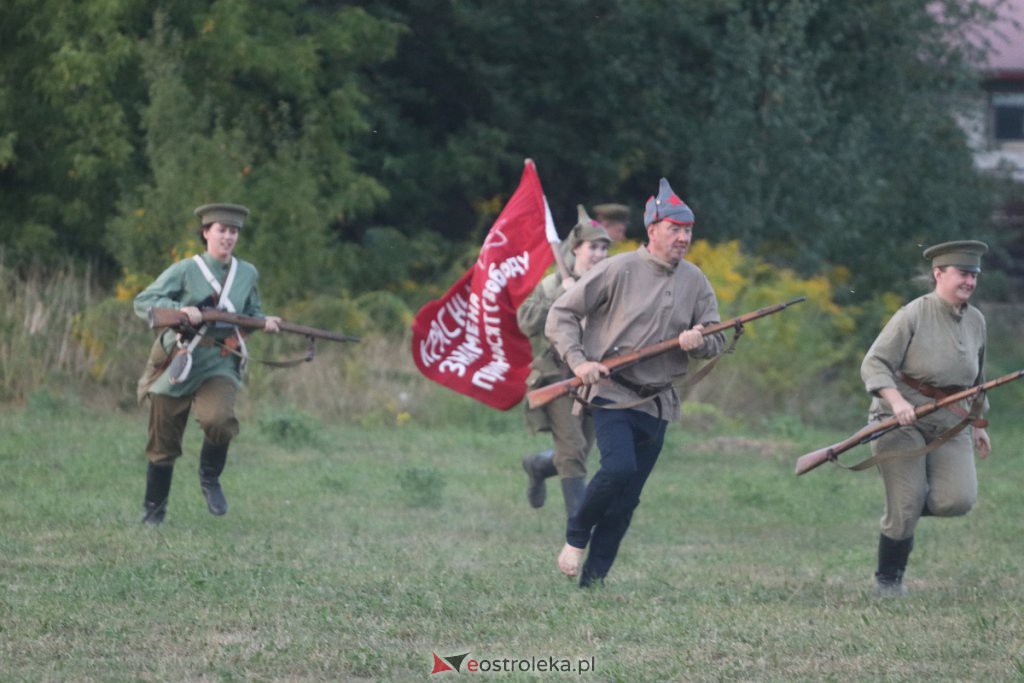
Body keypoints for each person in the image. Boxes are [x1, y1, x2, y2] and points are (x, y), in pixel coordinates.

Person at [545, 178, 726, 587]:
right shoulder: (617, 268)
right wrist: (578, 361)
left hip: (658, 401)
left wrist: (700, 341)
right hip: (610, 391)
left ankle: (592, 584)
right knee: (618, 468)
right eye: (675, 229)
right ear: (653, 230)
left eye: (688, 230)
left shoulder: (696, 281)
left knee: (627, 501)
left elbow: (716, 339)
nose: (683, 238)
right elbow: (561, 315)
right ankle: (576, 536)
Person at [133, 203, 282, 526]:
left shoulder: (247, 273)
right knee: (162, 443)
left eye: (234, 231)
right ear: (206, 233)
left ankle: (210, 477)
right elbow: (144, 301)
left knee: (219, 420)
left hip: (220, 363)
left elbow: (251, 312)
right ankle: (153, 514)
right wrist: (183, 310)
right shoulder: (186, 269)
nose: (228, 237)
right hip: (179, 360)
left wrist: (264, 321)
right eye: (221, 230)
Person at [860, 240, 991, 597]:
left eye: (974, 275)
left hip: (951, 423)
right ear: (939, 273)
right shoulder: (912, 314)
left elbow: (977, 380)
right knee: (905, 503)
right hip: (899, 422)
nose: (970, 281)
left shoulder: (977, 320)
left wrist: (979, 423)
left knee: (958, 500)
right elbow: (875, 363)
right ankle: (888, 581)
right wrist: (896, 400)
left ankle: (904, 508)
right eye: (963, 273)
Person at [519, 206, 611, 517]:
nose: (599, 254)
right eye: (593, 247)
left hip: (596, 377)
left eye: (603, 247)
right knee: (572, 453)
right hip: (557, 376)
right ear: (576, 248)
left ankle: (537, 465)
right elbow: (526, 322)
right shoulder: (553, 283)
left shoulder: (612, 283)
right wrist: (561, 296)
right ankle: (579, 527)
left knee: (581, 451)